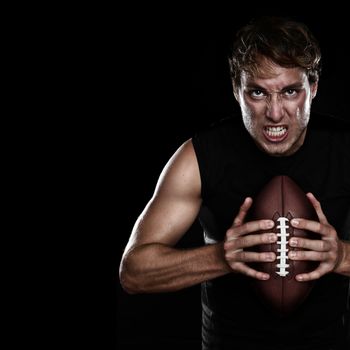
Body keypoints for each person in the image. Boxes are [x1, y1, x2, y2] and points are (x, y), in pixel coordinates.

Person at [119, 16, 350, 350]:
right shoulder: (199, 157)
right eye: (257, 92)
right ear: (236, 90)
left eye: (290, 92)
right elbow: (134, 273)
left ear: (312, 88)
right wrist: (222, 258)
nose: (274, 113)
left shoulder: (344, 150)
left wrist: (341, 255)